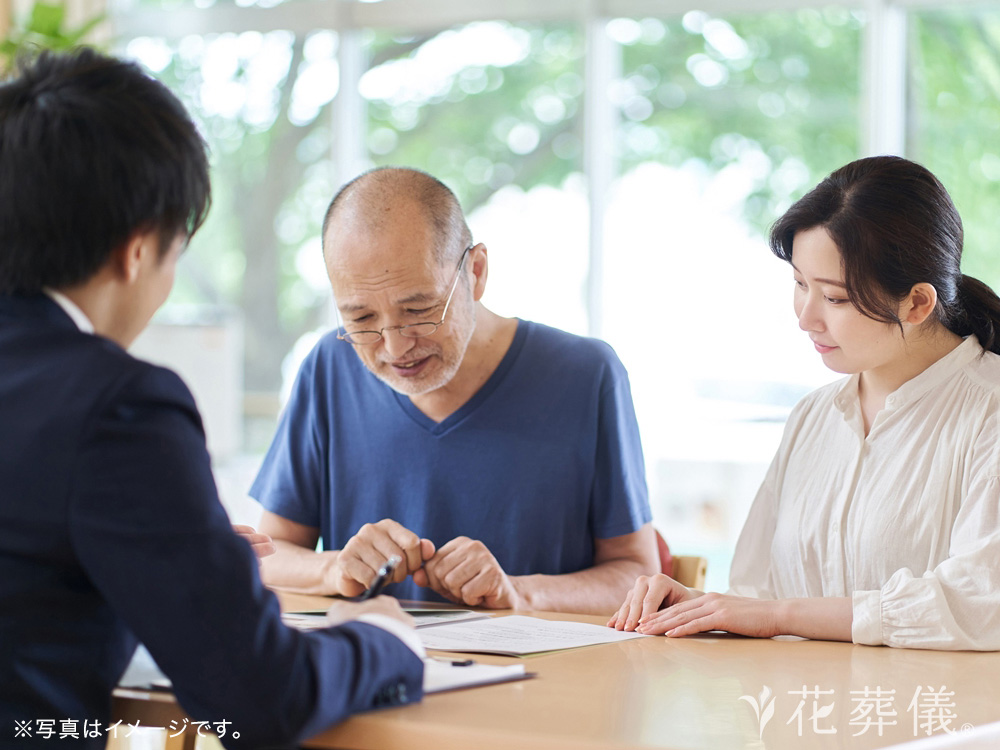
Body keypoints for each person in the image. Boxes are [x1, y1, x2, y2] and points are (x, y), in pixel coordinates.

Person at [0, 49, 424, 749]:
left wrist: (163, 550)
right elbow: (261, 701)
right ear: (137, 250)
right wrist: (381, 639)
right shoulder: (117, 405)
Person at [609, 155, 1000, 651]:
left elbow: (981, 604)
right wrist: (696, 606)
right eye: (799, 284)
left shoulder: (988, 412)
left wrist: (778, 615)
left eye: (834, 298)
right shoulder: (814, 416)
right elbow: (758, 591)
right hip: (803, 712)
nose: (805, 317)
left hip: (931, 720)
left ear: (918, 303)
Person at [250, 166, 658, 612]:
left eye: (419, 310)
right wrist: (334, 568)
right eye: (362, 319)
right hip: (378, 672)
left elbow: (636, 575)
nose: (395, 347)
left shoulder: (586, 375)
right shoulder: (330, 366)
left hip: (543, 677)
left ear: (476, 272)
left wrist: (519, 592)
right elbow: (268, 556)